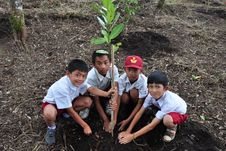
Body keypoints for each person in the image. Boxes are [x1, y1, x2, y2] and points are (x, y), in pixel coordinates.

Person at [118, 70, 189, 144]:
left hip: (178, 112)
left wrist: (132, 136)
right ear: (147, 87)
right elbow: (140, 111)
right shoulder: (150, 96)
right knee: (151, 109)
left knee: (167, 120)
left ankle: (172, 127)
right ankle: (158, 113)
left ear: (165, 88)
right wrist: (128, 131)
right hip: (161, 106)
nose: (154, 90)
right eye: (151, 87)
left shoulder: (168, 102)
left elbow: (152, 126)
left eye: (158, 87)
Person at [42, 59, 92, 145]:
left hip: (68, 103)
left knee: (87, 101)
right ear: (68, 73)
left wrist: (107, 94)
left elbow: (92, 89)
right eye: (77, 75)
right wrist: (85, 126)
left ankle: (65, 115)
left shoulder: (81, 81)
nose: (80, 79)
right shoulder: (61, 87)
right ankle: (51, 128)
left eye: (83, 76)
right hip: (54, 105)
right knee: (49, 114)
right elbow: (70, 110)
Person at [85, 49, 119, 132]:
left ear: (110, 62)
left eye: (106, 62)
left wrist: (113, 101)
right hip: (96, 94)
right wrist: (106, 120)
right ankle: (86, 108)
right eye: (99, 63)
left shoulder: (113, 68)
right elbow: (96, 100)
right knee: (91, 100)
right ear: (93, 64)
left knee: (111, 111)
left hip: (107, 90)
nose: (103, 66)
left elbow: (115, 88)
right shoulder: (90, 77)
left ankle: (107, 102)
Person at [115, 55, 148, 131]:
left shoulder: (144, 82)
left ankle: (132, 111)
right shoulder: (122, 78)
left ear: (140, 71)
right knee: (124, 97)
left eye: (135, 70)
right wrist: (114, 118)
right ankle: (124, 109)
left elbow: (140, 103)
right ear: (125, 69)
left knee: (134, 92)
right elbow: (118, 98)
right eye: (129, 70)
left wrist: (127, 121)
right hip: (126, 97)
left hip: (137, 101)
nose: (132, 73)